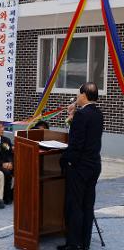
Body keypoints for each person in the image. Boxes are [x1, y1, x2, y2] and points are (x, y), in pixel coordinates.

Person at [58, 82, 104, 250]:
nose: (77, 97)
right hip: (93, 165)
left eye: (78, 94)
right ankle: (85, 242)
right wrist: (73, 115)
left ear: (84, 95)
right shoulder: (98, 113)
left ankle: (73, 243)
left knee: (75, 205)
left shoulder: (82, 115)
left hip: (80, 167)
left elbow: (76, 143)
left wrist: (66, 160)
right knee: (87, 204)